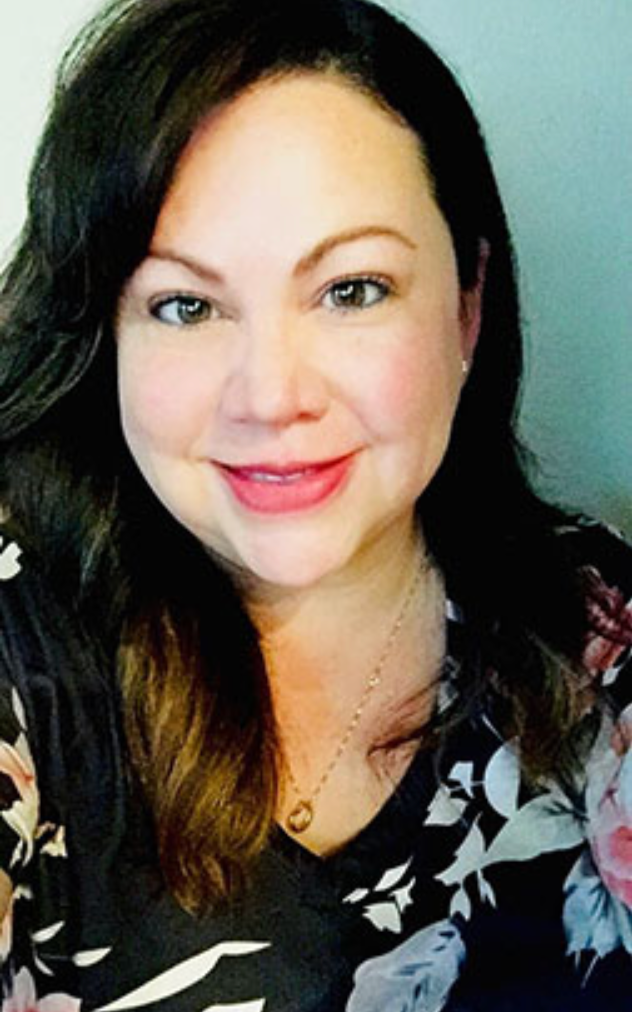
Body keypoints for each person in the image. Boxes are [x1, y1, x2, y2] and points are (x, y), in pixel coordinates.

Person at [0, 0, 630, 1008]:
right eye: (185, 304)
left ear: (466, 303)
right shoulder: (22, 661)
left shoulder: (595, 632)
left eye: (351, 289)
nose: (270, 395)